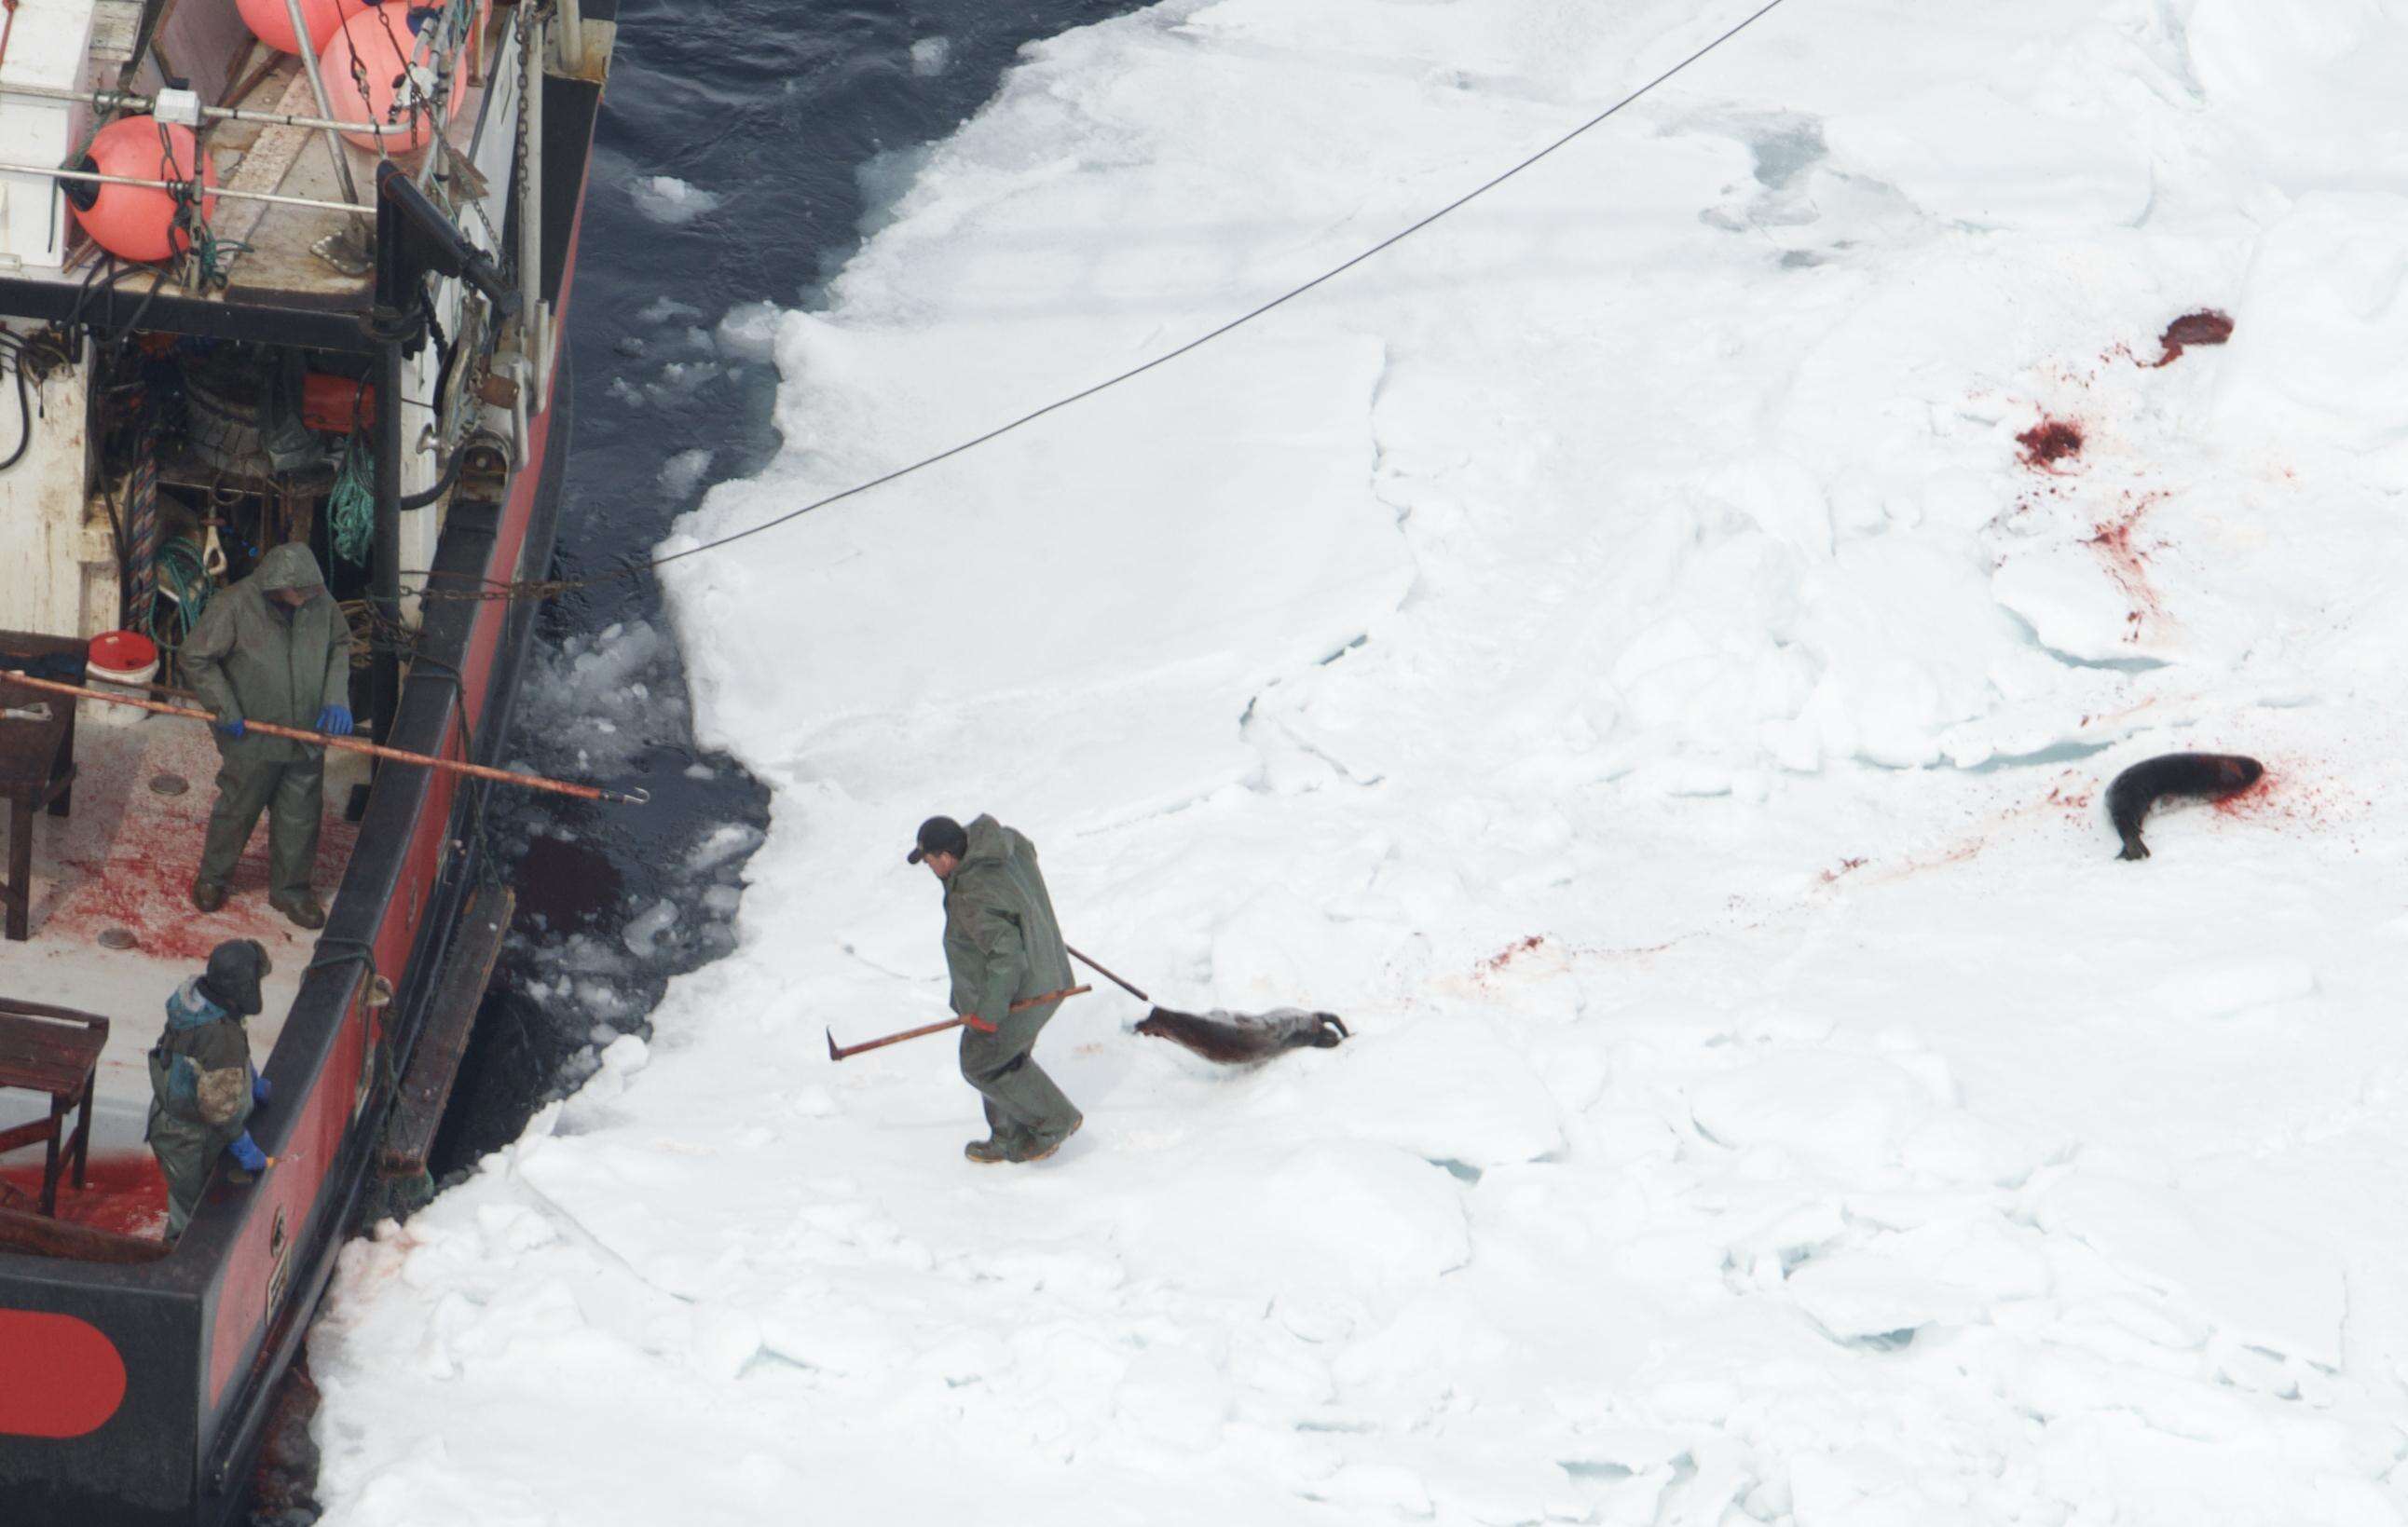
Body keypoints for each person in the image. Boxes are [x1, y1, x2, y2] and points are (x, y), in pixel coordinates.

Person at [183, 541, 354, 928]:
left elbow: (339, 646)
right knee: (238, 808)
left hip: (308, 735)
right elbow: (195, 657)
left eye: (315, 588)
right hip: (252, 738)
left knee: (301, 815)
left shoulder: (320, 602)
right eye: (304, 589)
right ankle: (213, 878)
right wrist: (223, 707)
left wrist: (336, 698)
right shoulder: (233, 606)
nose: (313, 595)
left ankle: (291, 891)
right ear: (278, 585)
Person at [910, 813, 1084, 1164]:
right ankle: (1006, 1136)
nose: (929, 868)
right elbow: (1026, 848)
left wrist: (988, 1014)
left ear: (946, 858)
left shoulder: (972, 895)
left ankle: (1056, 1121)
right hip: (1049, 970)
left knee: (982, 1061)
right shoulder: (1002, 844)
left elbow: (1007, 957)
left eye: (929, 861)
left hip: (1024, 991)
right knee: (1004, 1058)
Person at [145, 938, 276, 1241]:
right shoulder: (220, 1036)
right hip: (187, 1138)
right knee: (191, 1216)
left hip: (182, 1120)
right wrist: (241, 1142)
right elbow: (218, 1109)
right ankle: (174, 1265)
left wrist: (249, 1077)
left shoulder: (201, 1004)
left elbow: (213, 1059)